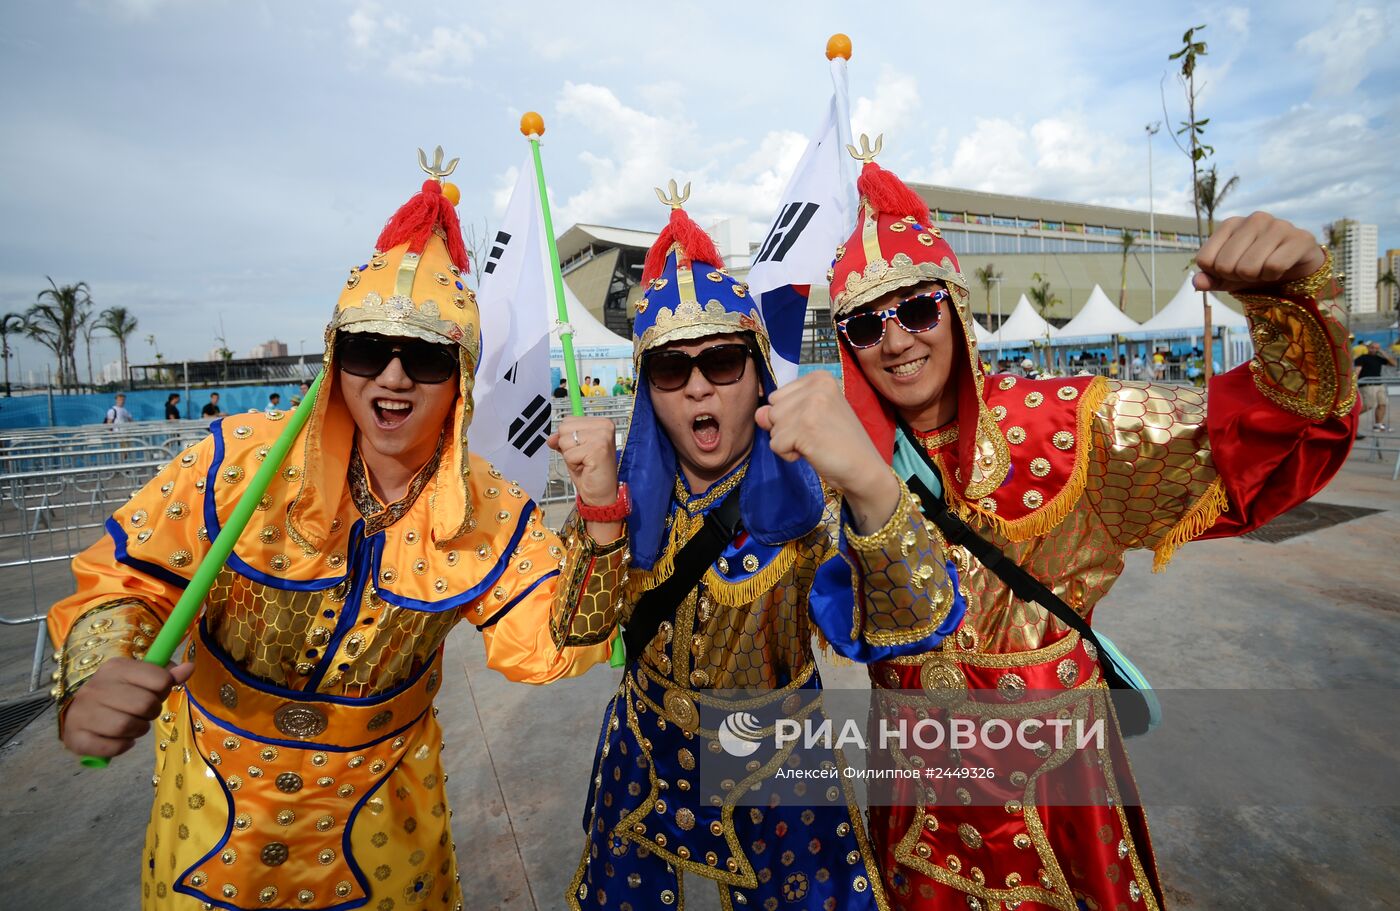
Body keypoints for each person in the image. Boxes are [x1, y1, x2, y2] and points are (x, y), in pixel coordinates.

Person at [47, 159, 623, 910]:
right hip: (212, 809)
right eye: (366, 348)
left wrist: (601, 512)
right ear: (333, 357)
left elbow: (555, 644)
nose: (391, 376)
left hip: (384, 818)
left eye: (422, 356)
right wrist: (98, 667)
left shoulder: (490, 509)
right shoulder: (238, 459)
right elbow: (129, 580)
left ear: (460, 375)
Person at [823, 150, 1358, 911]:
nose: (896, 340)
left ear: (955, 306)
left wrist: (1295, 309)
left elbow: (1268, 437)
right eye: (866, 324)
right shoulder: (837, 462)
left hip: (1055, 785)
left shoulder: (1074, 422)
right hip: (915, 789)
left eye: (915, 309)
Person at [550, 191, 964, 910]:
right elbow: (576, 631)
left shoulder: (813, 491)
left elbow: (913, 619)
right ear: (648, 387)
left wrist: (869, 481)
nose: (700, 386)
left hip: (775, 762)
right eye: (672, 370)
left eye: (721, 361)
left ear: (756, 373)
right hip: (644, 760)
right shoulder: (626, 496)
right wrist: (599, 515)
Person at [1354, 340, 1394, 431]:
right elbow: (1357, 370)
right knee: (1369, 405)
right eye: (1372, 347)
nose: (1374, 350)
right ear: (1368, 348)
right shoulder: (1362, 358)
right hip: (1367, 384)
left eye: (1376, 348)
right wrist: (1354, 383)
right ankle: (1351, 418)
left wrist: (1383, 353)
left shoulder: (1379, 358)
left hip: (1379, 384)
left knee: (1382, 404)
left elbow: (1394, 364)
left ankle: (1378, 425)